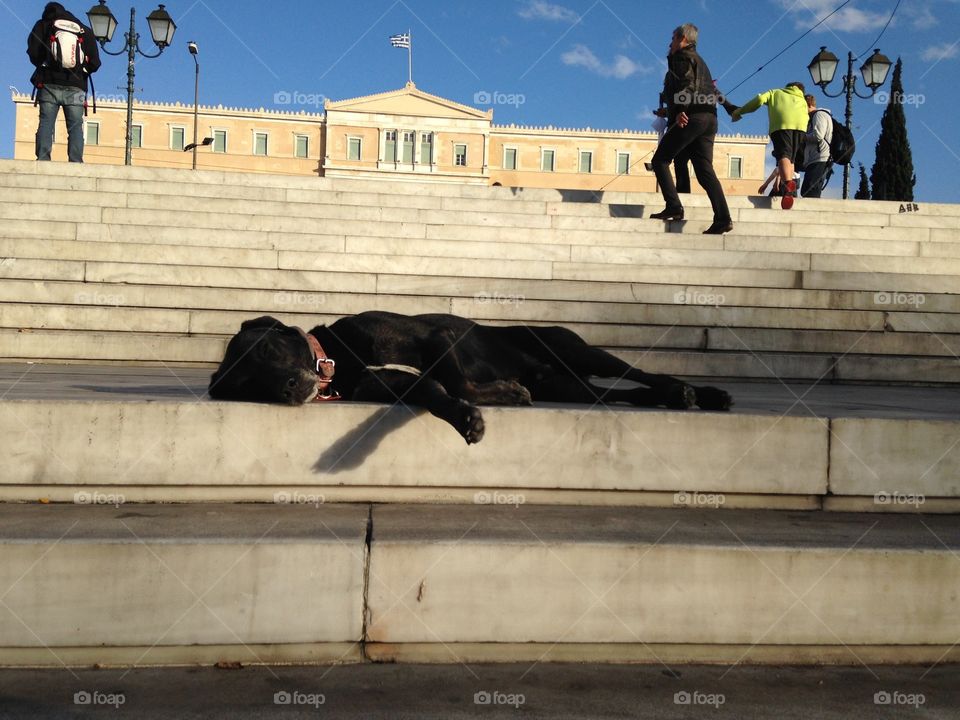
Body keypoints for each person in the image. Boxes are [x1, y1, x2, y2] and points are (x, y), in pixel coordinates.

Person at [650, 23, 732, 235]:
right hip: (710, 118)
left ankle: (674, 206)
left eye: (673, 38)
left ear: (684, 39)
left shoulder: (682, 57)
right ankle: (723, 218)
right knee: (705, 171)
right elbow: (710, 89)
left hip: (692, 116)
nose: (670, 43)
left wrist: (680, 110)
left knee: (660, 160)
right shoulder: (700, 61)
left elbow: (686, 84)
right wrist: (729, 107)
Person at [27, 2, 101, 163]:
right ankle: (75, 161)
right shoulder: (83, 30)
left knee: (46, 123)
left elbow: (33, 52)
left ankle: (43, 159)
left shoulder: (43, 25)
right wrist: (82, 70)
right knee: (75, 126)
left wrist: (45, 63)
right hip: (76, 85)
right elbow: (95, 62)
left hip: (48, 83)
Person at [731, 81, 808, 209]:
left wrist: (740, 111)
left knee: (783, 155)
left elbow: (760, 99)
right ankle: (791, 183)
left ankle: (788, 185)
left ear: (787, 87)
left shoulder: (776, 92)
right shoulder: (802, 100)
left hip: (781, 125)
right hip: (801, 127)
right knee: (792, 159)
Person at [800, 94, 833, 198]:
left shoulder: (819, 115)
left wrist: (802, 137)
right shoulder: (814, 117)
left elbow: (818, 135)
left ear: (808, 105)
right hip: (815, 158)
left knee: (810, 190)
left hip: (820, 158)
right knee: (808, 190)